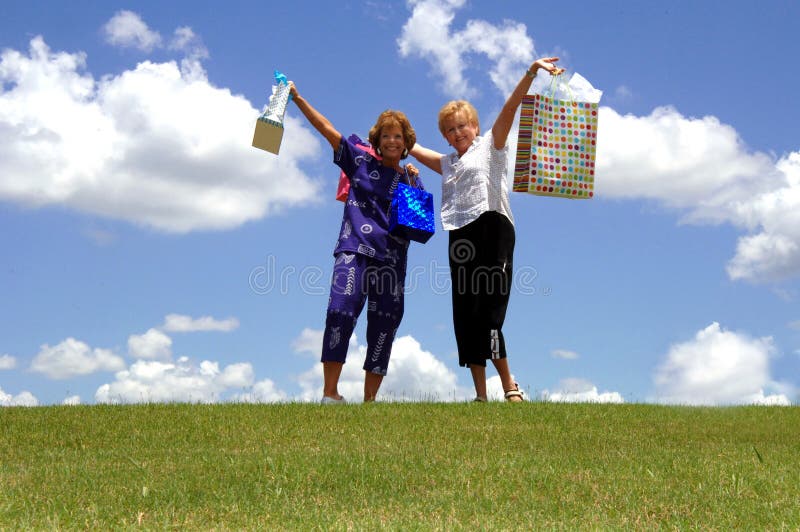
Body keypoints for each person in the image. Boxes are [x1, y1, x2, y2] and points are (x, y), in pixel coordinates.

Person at [410, 57, 564, 402]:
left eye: (462, 126)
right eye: (450, 130)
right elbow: (412, 148)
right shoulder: (448, 163)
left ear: (475, 127)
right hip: (460, 235)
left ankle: (509, 385)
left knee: (491, 311)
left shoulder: (492, 146)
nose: (457, 133)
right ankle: (481, 395)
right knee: (466, 314)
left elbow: (511, 109)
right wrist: (388, 135)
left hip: (493, 229)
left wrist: (530, 73)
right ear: (446, 137)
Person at [289, 81, 422, 403]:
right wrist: (297, 98)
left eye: (398, 136)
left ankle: (369, 400)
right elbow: (326, 128)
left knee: (384, 325)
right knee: (340, 311)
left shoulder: (411, 178)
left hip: (391, 261)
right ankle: (330, 393)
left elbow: (418, 227)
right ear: (377, 140)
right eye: (387, 135)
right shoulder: (359, 162)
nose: (392, 141)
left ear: (406, 144)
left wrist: (414, 184)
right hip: (353, 250)